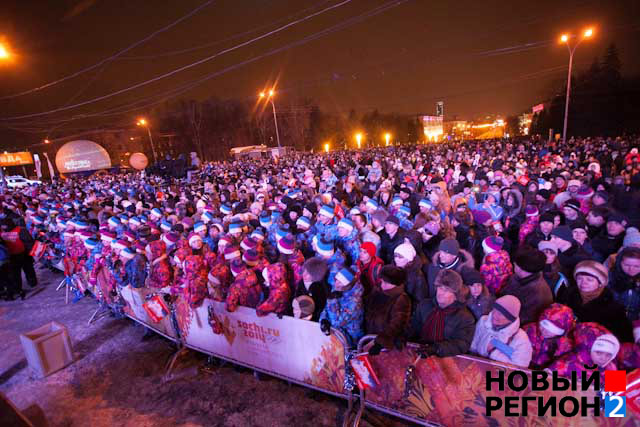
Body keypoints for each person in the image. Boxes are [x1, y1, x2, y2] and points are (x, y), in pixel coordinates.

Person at [558, 260, 633, 342]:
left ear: (600, 283)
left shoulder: (613, 308)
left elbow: (623, 338)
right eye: (579, 278)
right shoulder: (567, 296)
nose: (583, 283)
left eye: (589, 280)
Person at [410, 269, 475, 357]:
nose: (441, 293)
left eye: (447, 290)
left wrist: (436, 349)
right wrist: (402, 335)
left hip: (445, 360)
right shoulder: (424, 305)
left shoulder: (465, 318)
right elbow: (414, 327)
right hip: (420, 353)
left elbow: (462, 344)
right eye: (440, 288)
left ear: (455, 295)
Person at [470, 295, 533, 368]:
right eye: (494, 310)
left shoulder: (521, 340)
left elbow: (520, 367)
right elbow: (473, 343)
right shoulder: (483, 321)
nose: (495, 315)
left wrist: (494, 353)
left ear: (510, 319)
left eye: (500, 314)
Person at [365, 266, 411, 355]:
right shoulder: (377, 290)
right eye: (382, 281)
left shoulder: (401, 299)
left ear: (396, 284)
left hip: (382, 344)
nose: (382, 285)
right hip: (369, 335)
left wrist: (380, 342)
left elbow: (397, 324)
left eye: (386, 283)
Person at [499, 247, 552, 325]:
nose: (513, 265)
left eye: (515, 264)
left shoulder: (538, 294)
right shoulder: (518, 276)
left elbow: (525, 319)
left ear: (521, 268)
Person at [548, 323, 620, 377]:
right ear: (588, 349)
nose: (603, 358)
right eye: (598, 353)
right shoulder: (567, 364)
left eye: (608, 355)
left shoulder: (612, 370)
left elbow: (617, 395)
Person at [319, 267, 364, 346]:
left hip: (350, 341)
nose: (336, 284)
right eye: (336, 280)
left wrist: (332, 301)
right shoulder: (338, 290)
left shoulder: (355, 301)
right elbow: (326, 309)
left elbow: (336, 322)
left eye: (340, 282)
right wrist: (323, 319)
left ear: (347, 284)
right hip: (336, 337)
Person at [523, 303, 576, 370]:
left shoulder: (565, 346)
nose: (545, 331)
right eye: (544, 324)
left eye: (554, 329)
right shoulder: (529, 330)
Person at [1, 217, 37, 299]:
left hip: (18, 255)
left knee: (21, 271)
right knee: (22, 271)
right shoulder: (19, 230)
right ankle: (28, 284)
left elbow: (28, 242)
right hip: (17, 255)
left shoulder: (18, 230)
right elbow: (28, 241)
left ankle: (24, 286)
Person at [292, 257, 329, 321]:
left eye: (309, 273)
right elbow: (296, 296)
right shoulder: (301, 282)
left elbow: (320, 308)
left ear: (316, 275)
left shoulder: (319, 288)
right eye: (304, 271)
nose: (304, 274)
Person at [393, 241, 428, 306]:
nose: (396, 259)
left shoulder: (418, 277)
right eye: (395, 256)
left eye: (400, 257)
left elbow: (420, 301)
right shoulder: (394, 267)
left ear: (409, 259)